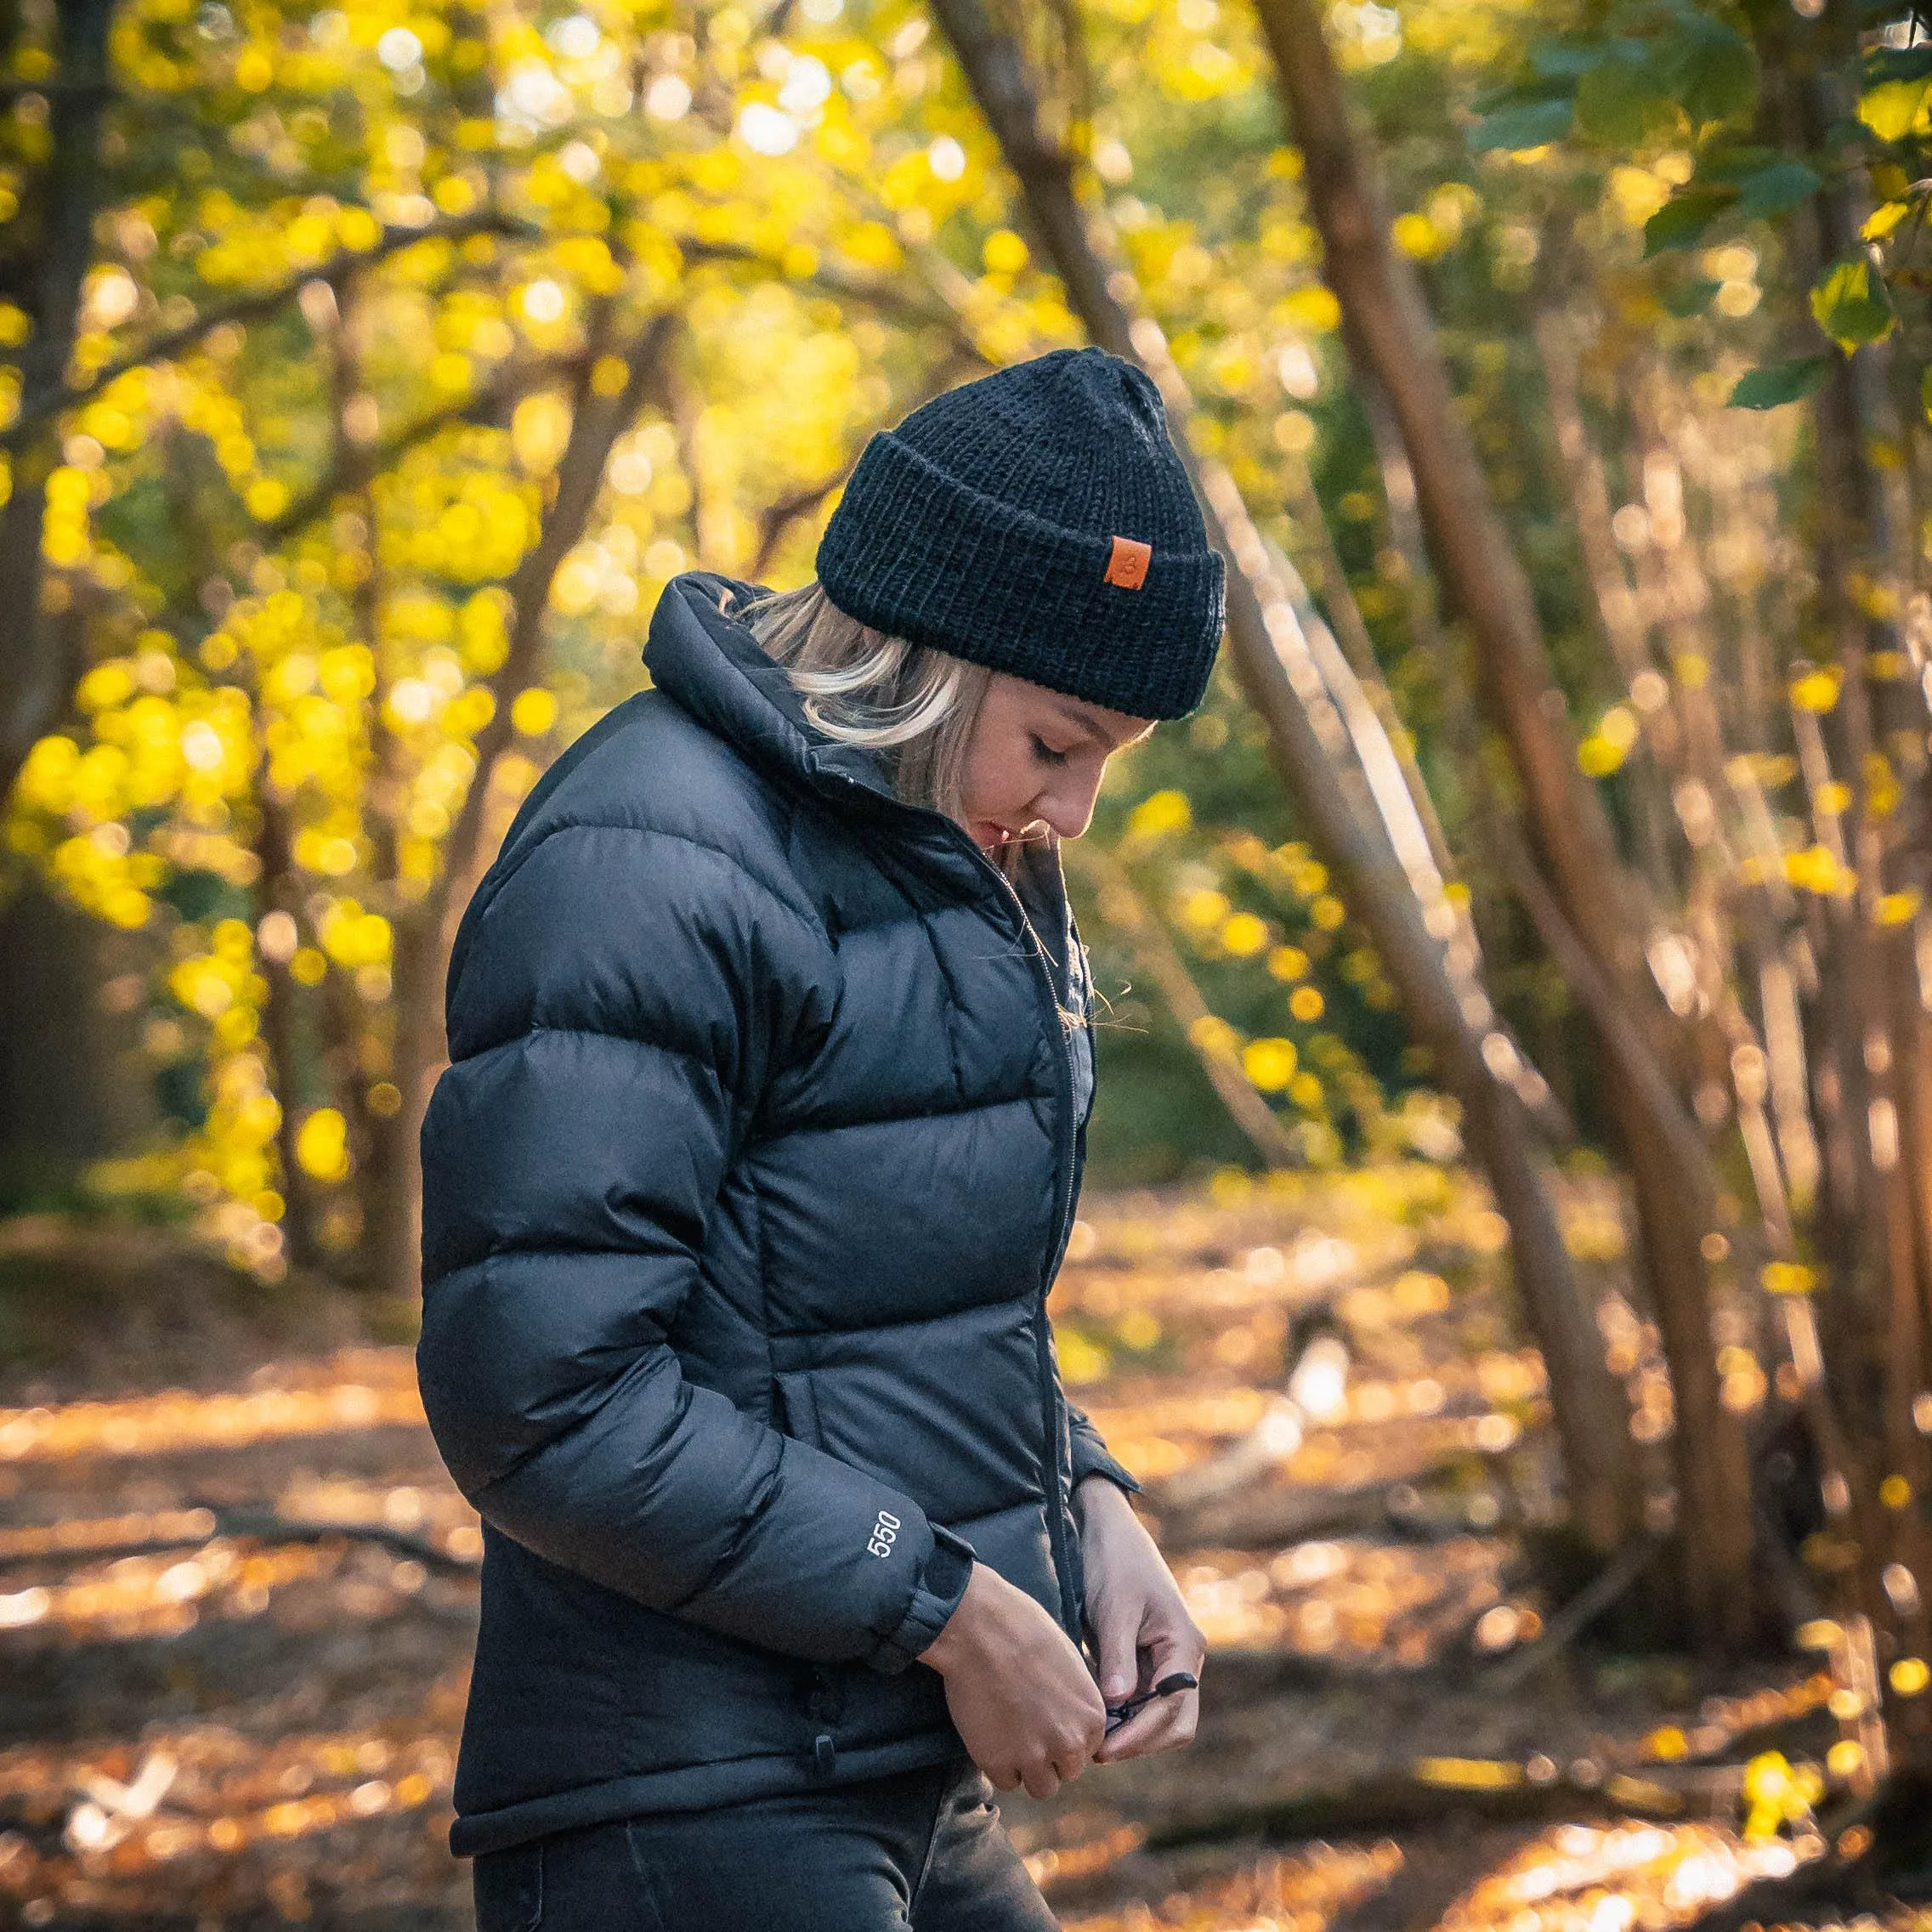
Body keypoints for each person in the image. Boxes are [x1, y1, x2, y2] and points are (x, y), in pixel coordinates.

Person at [416, 346, 1225, 1931]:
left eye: (1106, 768)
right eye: (1058, 746)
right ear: (924, 652)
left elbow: (900, 1295)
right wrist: (948, 1607)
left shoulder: (933, 856)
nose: (1071, 816)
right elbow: (540, 1394)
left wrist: (1094, 1507)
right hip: (681, 1802)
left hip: (894, 1769)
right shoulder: (646, 858)